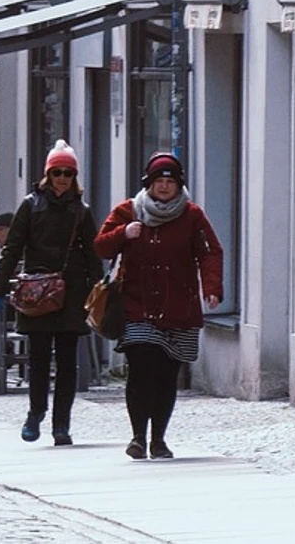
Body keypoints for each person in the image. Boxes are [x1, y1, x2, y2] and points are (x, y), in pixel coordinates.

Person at [95, 152, 224, 461]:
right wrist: (123, 234)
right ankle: (138, 436)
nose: (164, 187)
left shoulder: (192, 215)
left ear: (179, 185)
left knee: (167, 374)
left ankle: (159, 439)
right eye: (159, 181)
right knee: (141, 368)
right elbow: (100, 245)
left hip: (179, 306)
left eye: (170, 182)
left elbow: (210, 252)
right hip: (137, 304)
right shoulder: (128, 211)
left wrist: (212, 287)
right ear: (148, 184)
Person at [0, 140, 101, 447]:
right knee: (37, 359)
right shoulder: (31, 205)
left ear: (74, 176)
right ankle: (35, 412)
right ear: (48, 175)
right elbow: (12, 248)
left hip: (72, 291)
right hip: (36, 292)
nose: (62, 178)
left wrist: (99, 294)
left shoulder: (81, 210)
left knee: (66, 362)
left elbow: (93, 254)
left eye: (67, 173)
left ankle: (61, 425)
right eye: (57, 172)